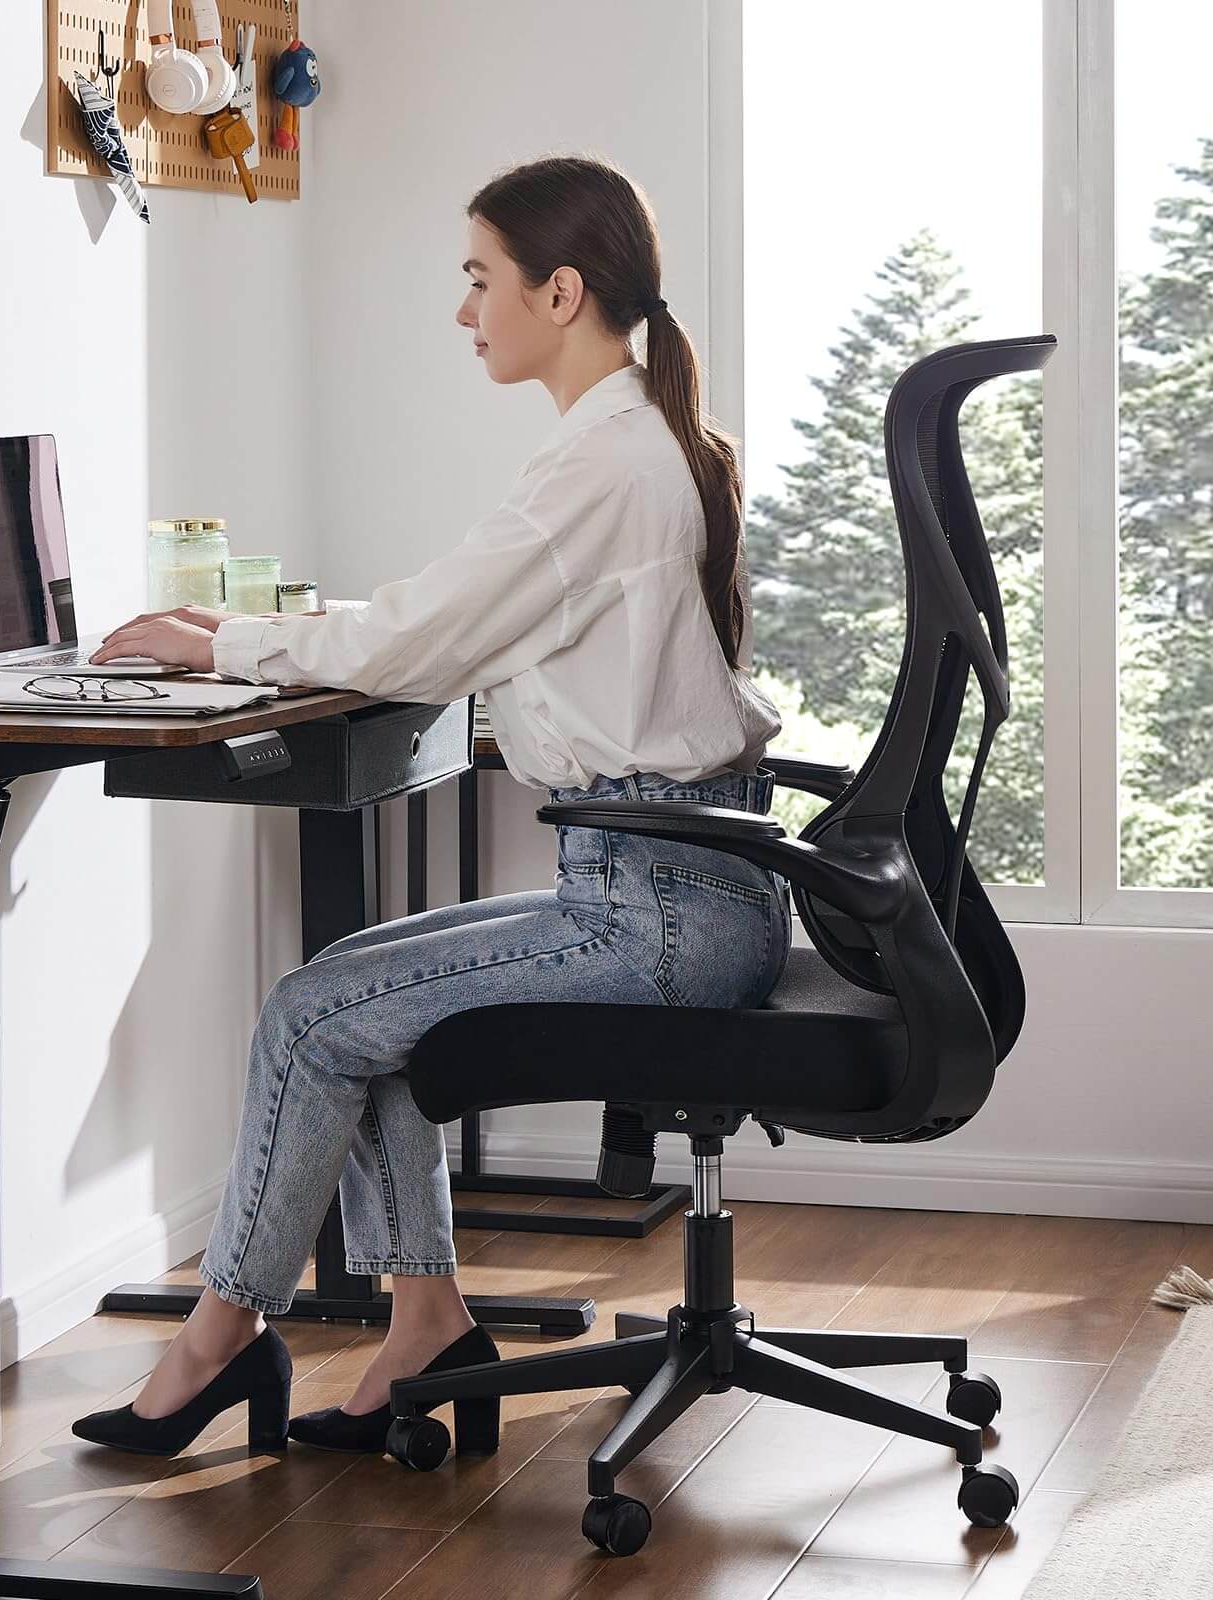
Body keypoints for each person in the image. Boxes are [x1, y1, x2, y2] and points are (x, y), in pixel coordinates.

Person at [71, 153, 787, 1460]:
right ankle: (425, 1316)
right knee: (359, 995)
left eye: (480, 281)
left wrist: (213, 642)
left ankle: (217, 1342)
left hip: (657, 910)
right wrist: (286, 628)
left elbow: (418, 647)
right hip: (684, 889)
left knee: (311, 1014)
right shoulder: (626, 445)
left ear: (559, 292)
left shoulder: (604, 467)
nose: (466, 313)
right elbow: (444, 619)